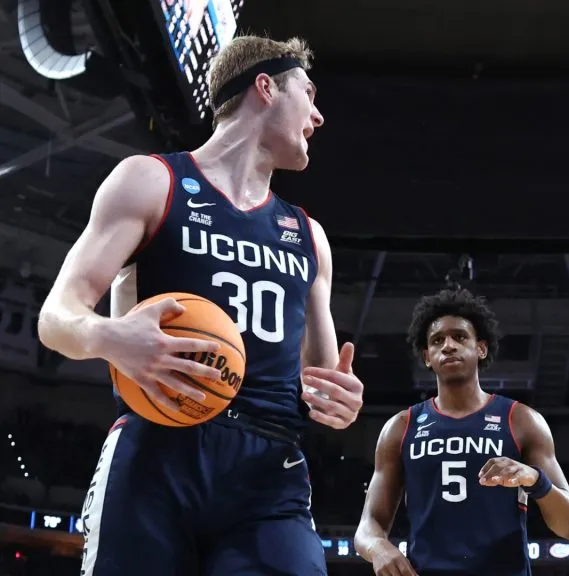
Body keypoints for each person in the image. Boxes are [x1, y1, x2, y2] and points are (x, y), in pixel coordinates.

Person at [37, 35, 364, 576]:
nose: (319, 116)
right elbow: (57, 317)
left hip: (268, 469)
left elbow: (321, 379)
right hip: (157, 450)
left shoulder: (309, 235)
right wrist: (110, 337)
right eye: (309, 94)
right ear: (266, 87)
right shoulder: (151, 180)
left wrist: (339, 398)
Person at [354, 287, 569, 576]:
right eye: (438, 340)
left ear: (481, 348)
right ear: (427, 356)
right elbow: (367, 526)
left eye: (460, 336)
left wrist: (535, 480)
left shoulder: (521, 420)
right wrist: (378, 546)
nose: (448, 345)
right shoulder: (401, 427)